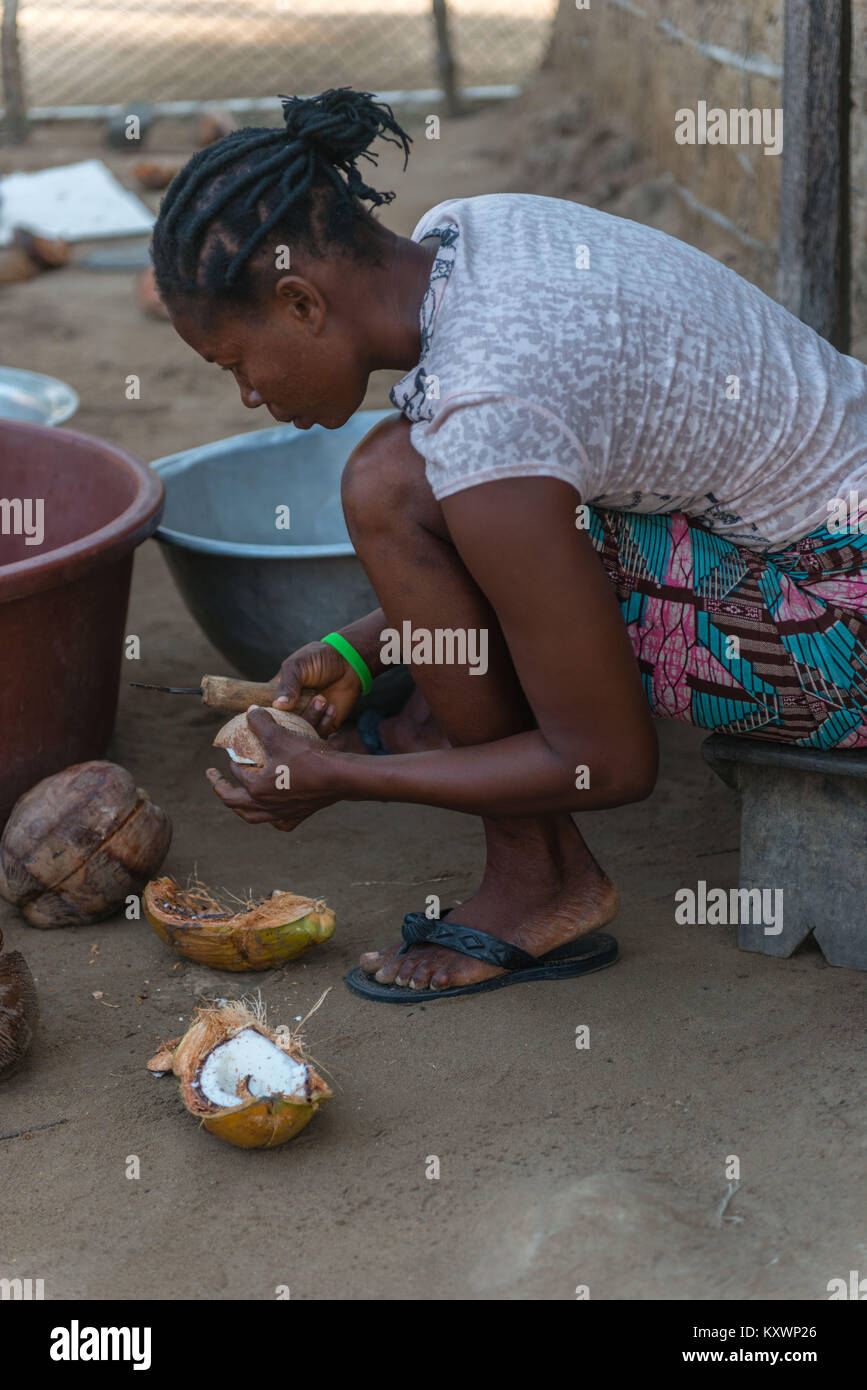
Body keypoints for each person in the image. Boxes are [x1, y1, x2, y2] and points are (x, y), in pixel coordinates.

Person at [151, 88, 867, 1002]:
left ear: (300, 302)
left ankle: (541, 881)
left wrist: (345, 776)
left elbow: (605, 760)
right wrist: (361, 648)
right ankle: (503, 808)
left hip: (837, 628)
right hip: (810, 536)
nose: (247, 394)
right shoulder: (467, 232)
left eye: (234, 363)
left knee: (398, 486)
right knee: (395, 477)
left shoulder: (487, 406)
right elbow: (530, 505)